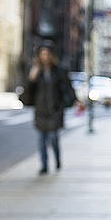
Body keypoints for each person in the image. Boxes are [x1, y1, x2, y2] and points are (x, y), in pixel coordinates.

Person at [28, 41, 83, 174]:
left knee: (53, 137)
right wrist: (31, 78)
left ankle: (57, 159)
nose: (45, 57)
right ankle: (44, 165)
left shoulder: (60, 71)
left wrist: (76, 100)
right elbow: (28, 92)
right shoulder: (36, 71)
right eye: (42, 54)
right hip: (41, 110)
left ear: (52, 55)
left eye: (47, 54)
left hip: (55, 109)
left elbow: (68, 88)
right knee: (41, 139)